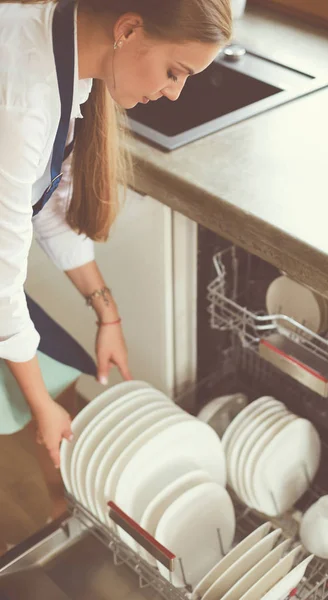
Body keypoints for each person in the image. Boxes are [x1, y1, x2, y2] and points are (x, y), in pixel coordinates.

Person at [0, 0, 232, 474]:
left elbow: (38, 203)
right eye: (174, 71)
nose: (174, 93)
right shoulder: (23, 100)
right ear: (128, 29)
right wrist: (43, 405)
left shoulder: (59, 53)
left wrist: (108, 313)